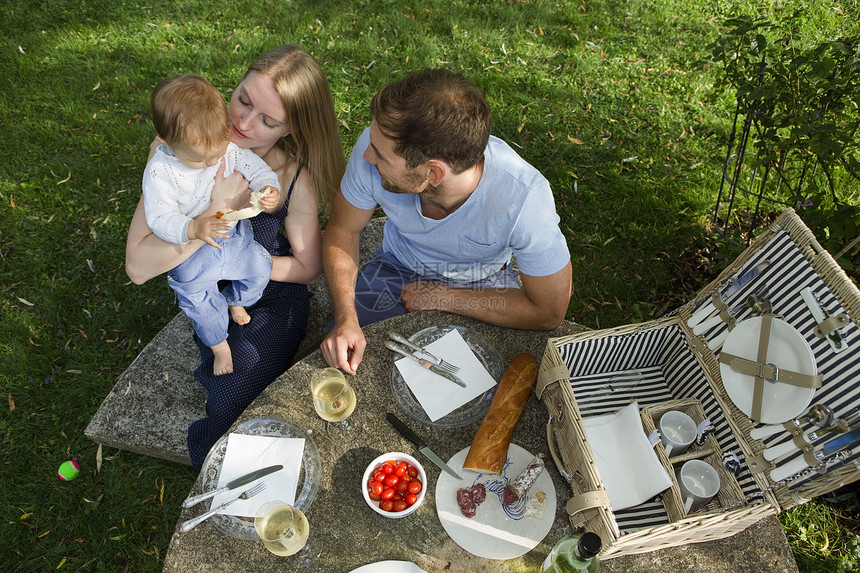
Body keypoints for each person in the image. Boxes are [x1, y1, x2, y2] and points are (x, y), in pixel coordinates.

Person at [125, 45, 345, 467]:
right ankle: (216, 472)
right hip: (206, 286)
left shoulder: (291, 175)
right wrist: (215, 213)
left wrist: (245, 263)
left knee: (238, 394)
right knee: (230, 396)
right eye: (243, 99)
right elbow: (137, 267)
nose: (241, 123)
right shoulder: (176, 155)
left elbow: (307, 268)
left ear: (290, 128)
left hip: (270, 288)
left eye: (267, 120)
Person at [320, 68, 572, 375]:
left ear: (433, 173)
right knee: (344, 364)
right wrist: (346, 317)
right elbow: (343, 229)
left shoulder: (523, 200)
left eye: (381, 157)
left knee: (483, 383)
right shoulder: (379, 142)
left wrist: (442, 297)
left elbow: (549, 312)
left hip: (483, 281)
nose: (366, 157)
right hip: (397, 267)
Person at [143, 74, 282, 377]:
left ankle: (237, 301)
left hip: (233, 240)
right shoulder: (161, 172)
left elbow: (252, 166)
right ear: (168, 143)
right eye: (199, 160)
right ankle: (219, 345)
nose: (211, 163)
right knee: (199, 303)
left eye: (217, 154)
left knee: (260, 267)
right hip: (192, 256)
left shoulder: (224, 147)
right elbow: (160, 217)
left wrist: (268, 186)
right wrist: (192, 229)